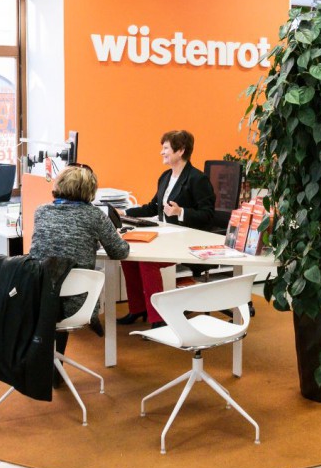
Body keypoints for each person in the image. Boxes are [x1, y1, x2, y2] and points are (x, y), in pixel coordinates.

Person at [118, 130, 216, 328]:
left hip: (187, 240)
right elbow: (152, 207)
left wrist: (181, 212)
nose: (161, 152)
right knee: (128, 257)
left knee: (147, 262)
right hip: (165, 235)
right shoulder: (165, 177)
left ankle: (158, 318)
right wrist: (124, 212)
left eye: (165, 148)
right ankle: (138, 308)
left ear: (180, 151)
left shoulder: (197, 179)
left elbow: (208, 215)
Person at [29, 163, 130, 336]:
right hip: (76, 302)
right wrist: (118, 238)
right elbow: (120, 252)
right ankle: (92, 318)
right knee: (93, 272)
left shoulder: (41, 211)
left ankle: (51, 352)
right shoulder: (95, 215)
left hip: (37, 299)